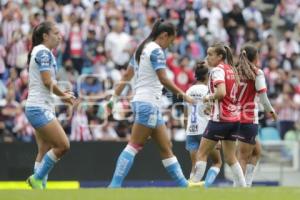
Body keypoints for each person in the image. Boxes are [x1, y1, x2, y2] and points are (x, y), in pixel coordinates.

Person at [108, 19, 198, 188]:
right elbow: (164, 79)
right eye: (170, 41)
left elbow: (127, 76)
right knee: (134, 145)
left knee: (166, 146)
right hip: (148, 103)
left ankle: (184, 186)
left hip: (147, 103)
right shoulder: (156, 51)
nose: (169, 46)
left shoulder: (142, 49)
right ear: (164, 36)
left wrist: (113, 98)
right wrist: (184, 96)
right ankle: (114, 186)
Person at [25, 21, 76, 189]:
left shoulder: (41, 52)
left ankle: (40, 192)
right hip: (39, 107)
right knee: (63, 145)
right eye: (55, 33)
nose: (59, 36)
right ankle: (36, 179)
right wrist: (64, 96)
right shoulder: (43, 52)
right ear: (45, 36)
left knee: (44, 150)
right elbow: (47, 81)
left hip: (39, 106)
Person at [191, 43, 246, 187]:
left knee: (201, 154)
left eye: (210, 55)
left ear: (220, 56)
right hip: (234, 119)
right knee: (230, 158)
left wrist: (208, 98)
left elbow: (221, 93)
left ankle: (192, 186)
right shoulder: (232, 70)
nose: (207, 58)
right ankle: (244, 189)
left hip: (220, 119)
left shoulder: (217, 71)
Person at [235, 44, 277, 187]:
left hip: (233, 116)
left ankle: (247, 184)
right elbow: (263, 98)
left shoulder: (234, 71)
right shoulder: (256, 73)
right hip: (248, 118)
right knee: (242, 157)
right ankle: (239, 190)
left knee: (257, 152)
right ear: (255, 57)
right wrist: (271, 111)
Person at [184, 61, 222, 187]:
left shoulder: (188, 90)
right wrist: (219, 137)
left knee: (195, 165)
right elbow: (214, 114)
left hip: (191, 130)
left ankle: (191, 188)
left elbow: (185, 115)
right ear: (208, 76)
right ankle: (205, 187)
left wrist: (187, 131)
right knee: (217, 162)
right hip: (206, 131)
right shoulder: (209, 91)